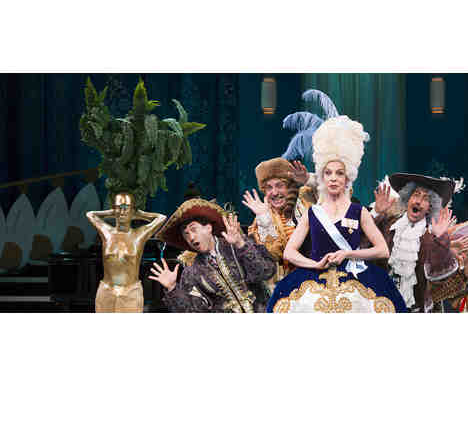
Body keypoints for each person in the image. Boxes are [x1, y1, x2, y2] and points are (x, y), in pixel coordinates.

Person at [266, 115, 407, 313]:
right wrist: (315, 265)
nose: (333, 178)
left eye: (339, 173)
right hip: (314, 278)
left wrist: (348, 254)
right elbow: (289, 252)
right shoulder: (311, 213)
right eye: (328, 173)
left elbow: (382, 250)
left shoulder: (359, 212)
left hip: (356, 278)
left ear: (347, 178)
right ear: (322, 177)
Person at [366, 173, 468, 311]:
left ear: (430, 207)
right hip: (380, 304)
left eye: (425, 198)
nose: (418, 201)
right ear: (408, 199)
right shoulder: (389, 226)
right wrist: (376, 213)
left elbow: (439, 277)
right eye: (416, 195)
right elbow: (363, 245)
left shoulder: (430, 238)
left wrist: (440, 238)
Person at [151, 198, 275, 312]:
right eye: (186, 234)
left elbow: (266, 272)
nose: (191, 237)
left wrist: (241, 244)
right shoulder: (191, 272)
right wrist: (172, 288)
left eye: (193, 229)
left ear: (208, 228)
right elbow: (194, 314)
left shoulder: (236, 245)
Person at [242, 158, 314, 306]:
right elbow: (274, 256)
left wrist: (308, 179)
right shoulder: (262, 219)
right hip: (291, 288)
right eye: (269, 188)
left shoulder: (306, 198)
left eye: (279, 185)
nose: (274, 192)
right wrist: (264, 219)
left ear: (289, 186)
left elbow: (334, 189)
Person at [86, 192, 166, 313]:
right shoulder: (107, 233)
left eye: (126, 208)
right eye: (119, 207)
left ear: (132, 210)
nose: (122, 212)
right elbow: (90, 214)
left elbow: (161, 218)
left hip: (130, 292)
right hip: (107, 291)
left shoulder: (139, 235)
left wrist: (139, 214)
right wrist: (112, 212)